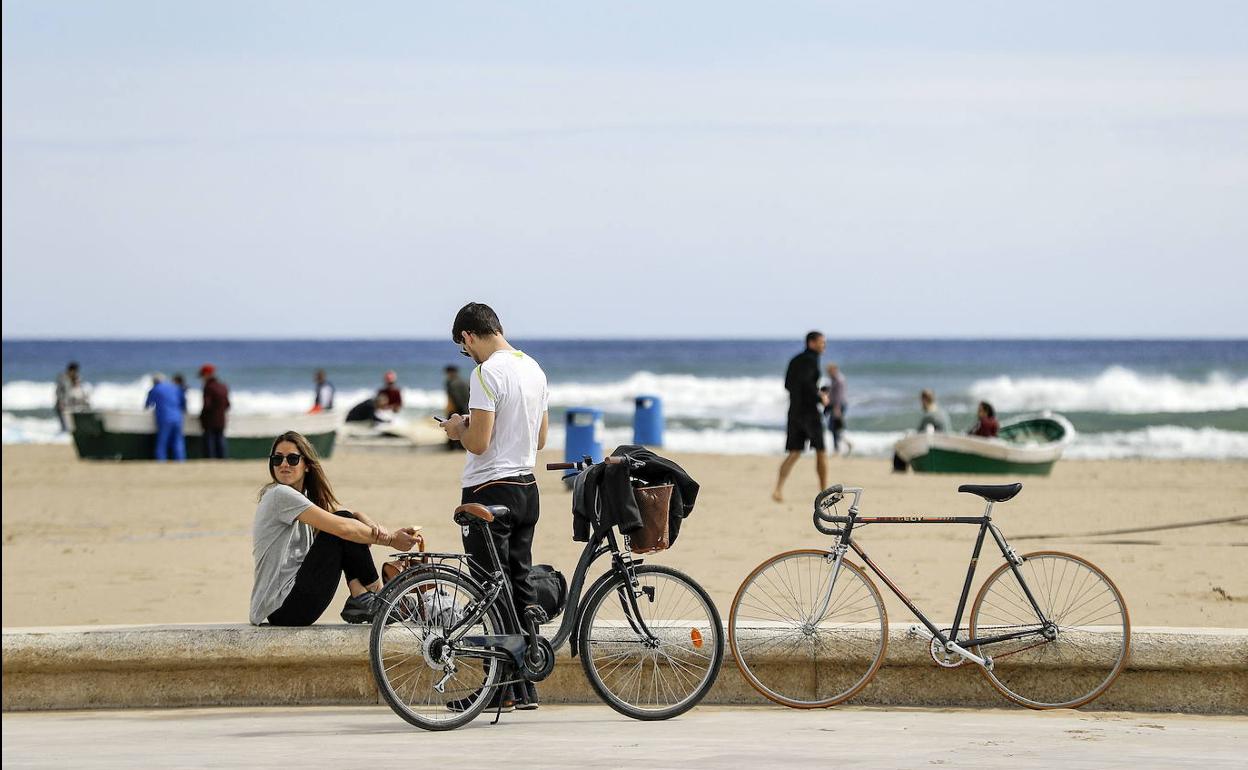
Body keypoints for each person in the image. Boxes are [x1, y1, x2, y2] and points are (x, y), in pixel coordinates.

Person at [439, 302, 549, 711]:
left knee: (490, 586)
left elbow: (479, 443)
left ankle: (499, 687)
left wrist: (457, 428)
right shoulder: (534, 369)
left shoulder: (485, 373)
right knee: (518, 583)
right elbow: (538, 439)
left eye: (463, 348)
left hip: (489, 490)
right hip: (526, 487)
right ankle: (524, 686)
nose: (467, 355)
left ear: (468, 336)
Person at [250, 430, 421, 626]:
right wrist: (389, 540)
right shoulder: (279, 495)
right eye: (277, 459)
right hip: (284, 606)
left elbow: (351, 515)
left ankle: (363, 596)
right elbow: (344, 527)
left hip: (292, 604)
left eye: (293, 458)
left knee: (345, 524)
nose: (284, 464)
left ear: (306, 465)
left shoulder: (303, 499)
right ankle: (377, 595)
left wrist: (372, 526)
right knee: (342, 528)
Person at [772, 331, 830, 503]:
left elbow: (788, 384)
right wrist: (821, 397)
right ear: (811, 343)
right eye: (821, 343)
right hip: (810, 412)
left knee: (794, 452)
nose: (824, 346)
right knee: (821, 451)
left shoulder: (795, 359)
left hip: (794, 412)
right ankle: (823, 491)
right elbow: (807, 384)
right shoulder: (811, 359)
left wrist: (810, 393)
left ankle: (778, 489)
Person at [893, 389, 952, 471]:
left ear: (924, 400)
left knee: (902, 445)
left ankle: (898, 470)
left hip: (934, 449)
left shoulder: (929, 415)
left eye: (921, 401)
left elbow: (919, 434)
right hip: (945, 445)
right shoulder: (942, 412)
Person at [144, 373, 187, 462]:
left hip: (164, 417)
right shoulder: (175, 388)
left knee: (162, 441)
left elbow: (148, 405)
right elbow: (183, 402)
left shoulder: (155, 389)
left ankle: (161, 461)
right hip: (178, 417)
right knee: (178, 440)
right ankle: (180, 460)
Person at [199, 364, 231, 459]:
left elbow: (207, 405)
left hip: (210, 420)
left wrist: (202, 416)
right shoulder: (223, 386)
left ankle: (210, 459)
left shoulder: (208, 387)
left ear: (206, 375)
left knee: (209, 440)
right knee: (220, 439)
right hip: (221, 418)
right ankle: (222, 458)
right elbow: (228, 404)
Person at [823, 362, 853, 456]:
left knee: (834, 427)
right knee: (834, 427)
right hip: (836, 405)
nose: (828, 373)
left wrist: (837, 408)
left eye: (829, 371)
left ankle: (839, 447)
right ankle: (843, 444)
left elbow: (839, 396)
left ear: (834, 370)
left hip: (838, 405)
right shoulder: (834, 379)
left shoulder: (839, 380)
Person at [54, 361, 90, 432]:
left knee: (74, 424)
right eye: (74, 371)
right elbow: (58, 391)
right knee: (65, 425)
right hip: (63, 404)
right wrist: (60, 402)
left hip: (74, 404)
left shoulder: (77, 378)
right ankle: (63, 437)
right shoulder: (62, 378)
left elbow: (79, 391)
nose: (75, 373)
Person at [443, 365, 470, 451]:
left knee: (451, 428)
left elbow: (456, 398)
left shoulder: (452, 383)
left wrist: (459, 409)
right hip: (463, 408)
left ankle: (453, 447)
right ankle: (462, 446)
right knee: (463, 428)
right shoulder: (464, 382)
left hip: (455, 409)